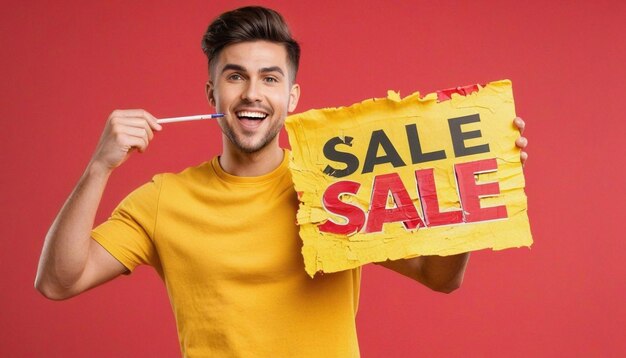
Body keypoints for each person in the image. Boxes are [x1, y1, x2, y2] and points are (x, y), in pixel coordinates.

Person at [35, 6, 529, 357]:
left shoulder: (337, 184)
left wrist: (468, 184)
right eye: (235, 76)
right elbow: (58, 282)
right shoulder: (163, 200)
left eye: (270, 78)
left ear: (292, 97)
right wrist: (99, 167)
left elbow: (440, 277)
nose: (253, 93)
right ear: (212, 91)